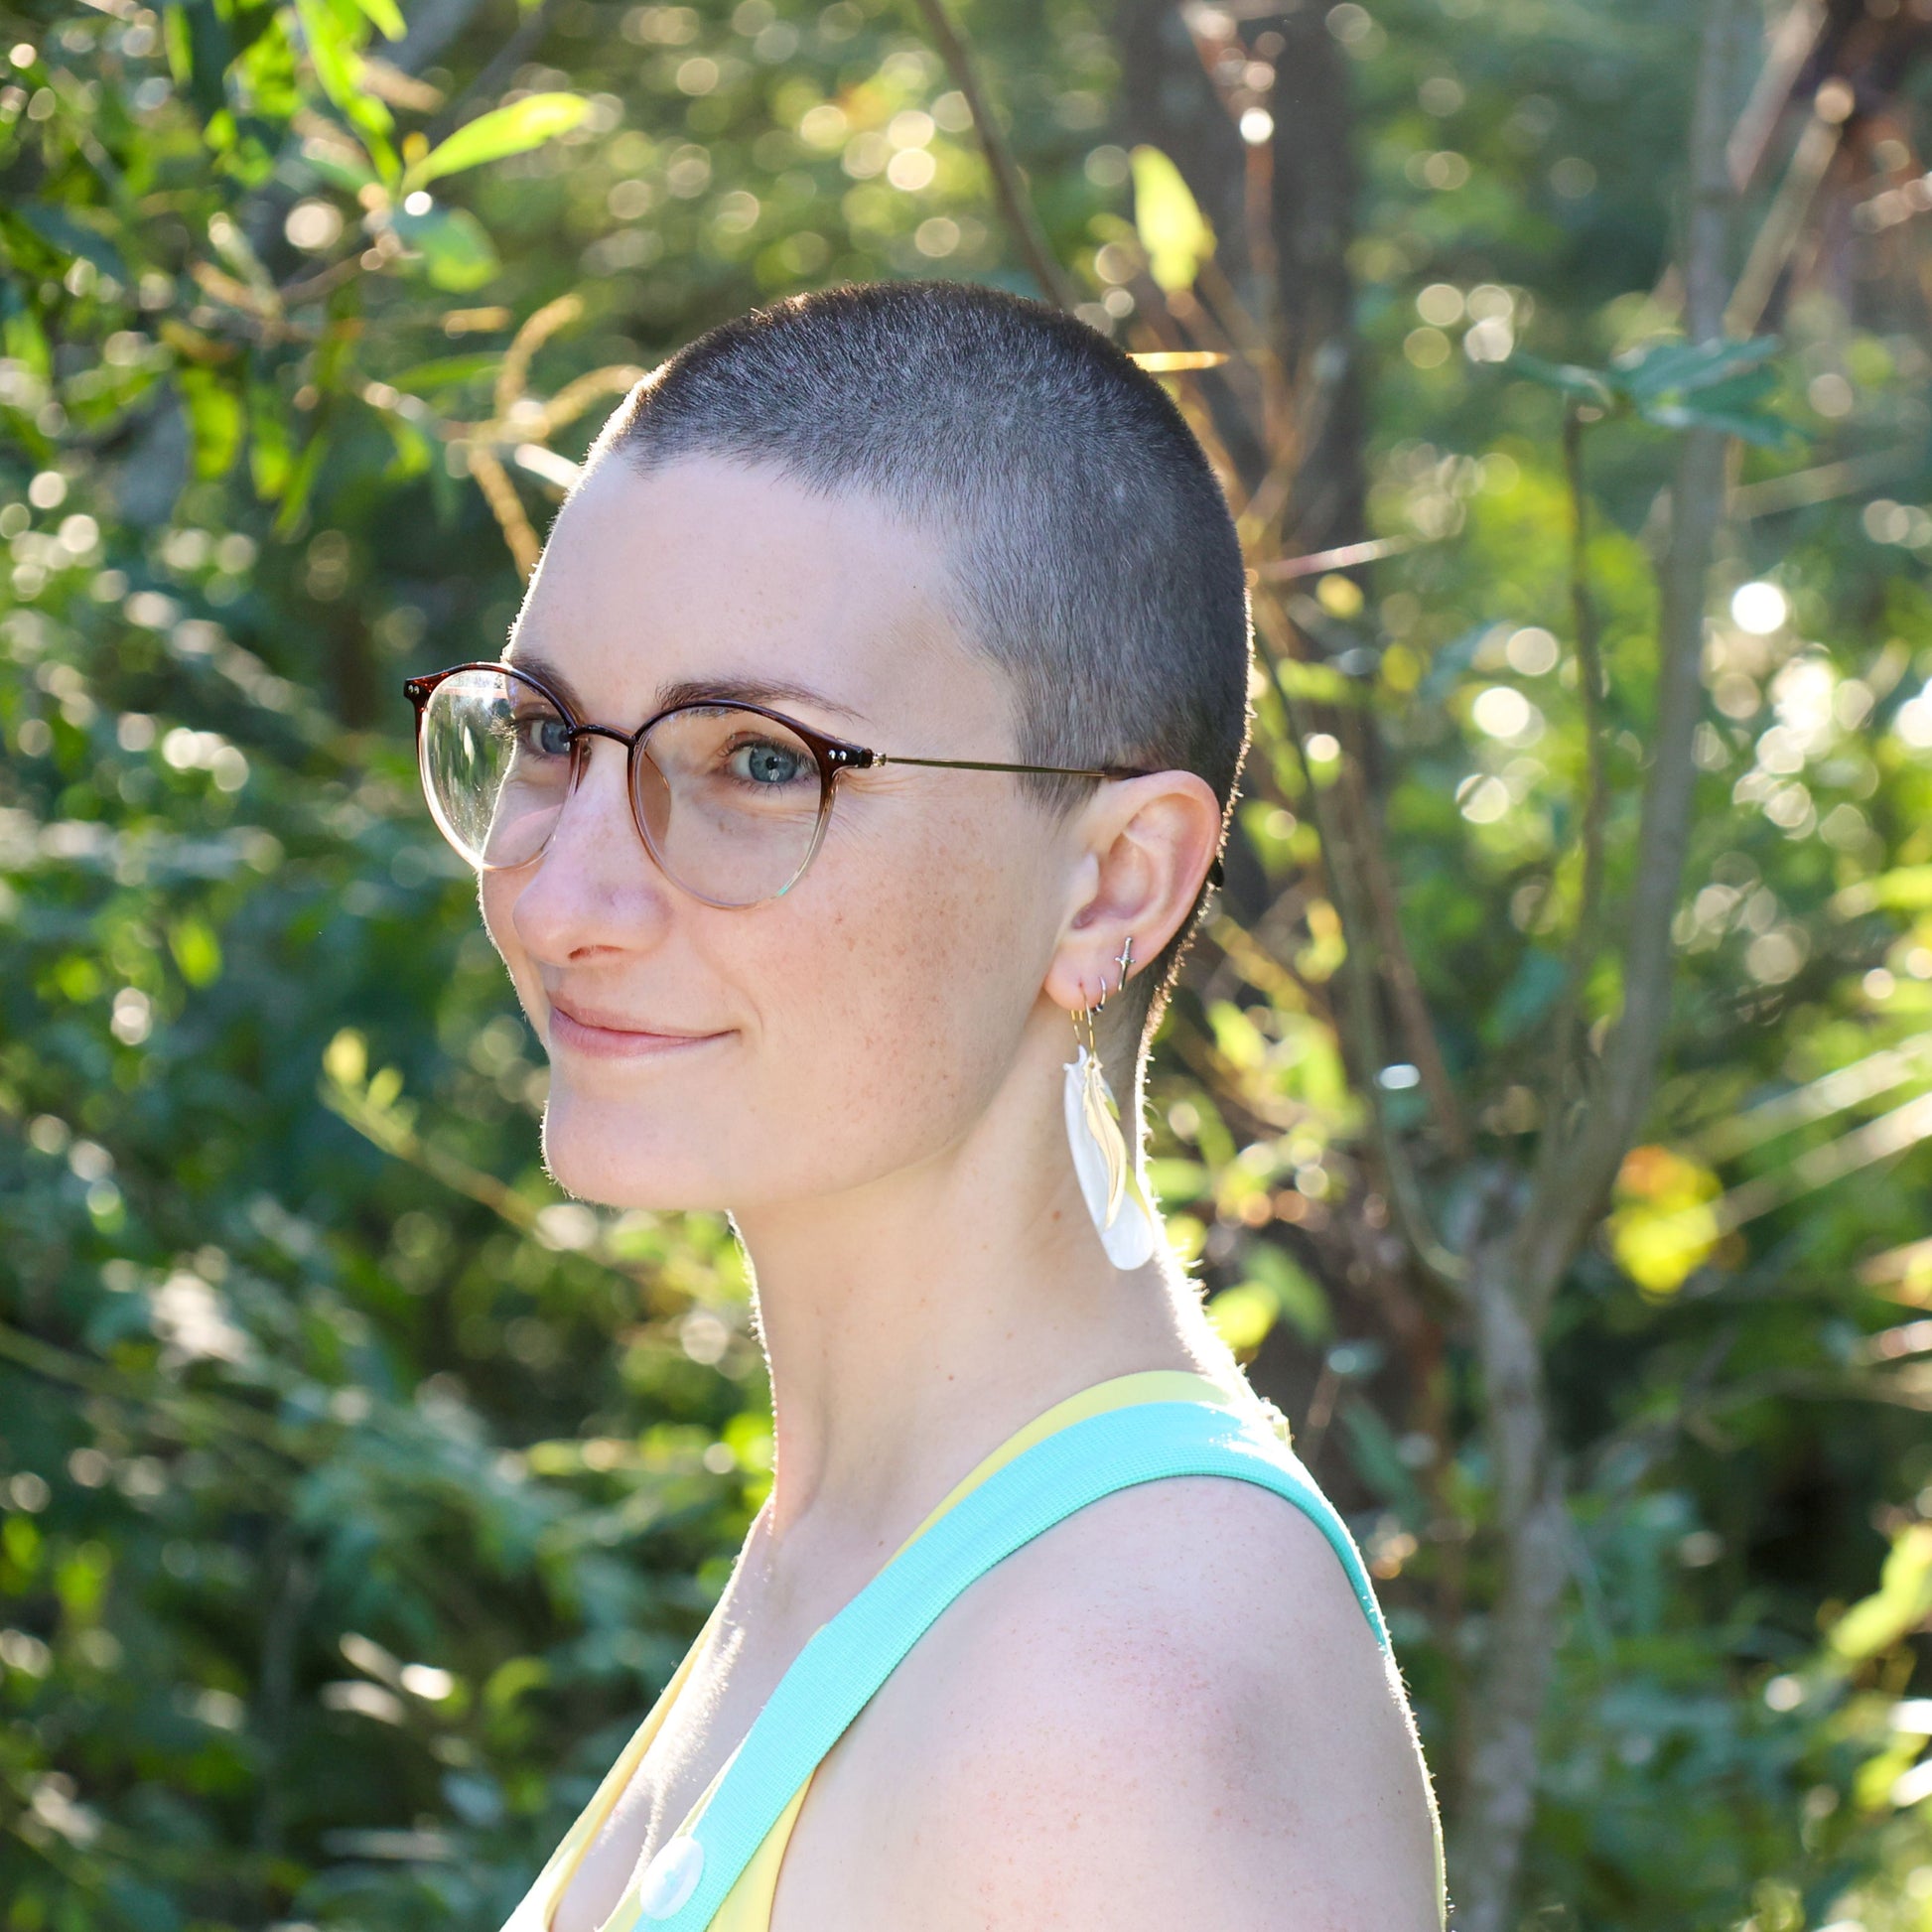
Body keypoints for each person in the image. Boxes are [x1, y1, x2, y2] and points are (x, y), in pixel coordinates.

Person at [401, 280, 1445, 1932]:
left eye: (755, 762)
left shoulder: (1112, 1711)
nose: (560, 897)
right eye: (543, 735)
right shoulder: (875, 1548)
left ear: (1111, 882)